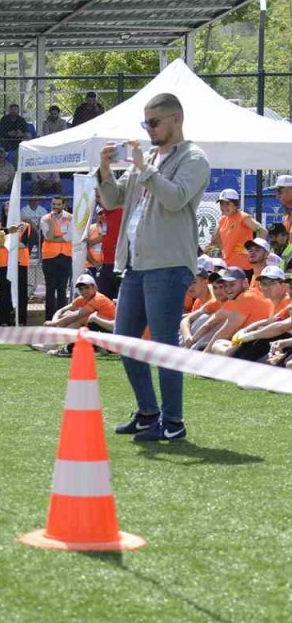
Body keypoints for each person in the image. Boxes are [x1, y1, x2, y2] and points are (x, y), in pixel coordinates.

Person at [97, 92, 210, 442]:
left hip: (169, 264)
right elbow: (113, 200)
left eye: (154, 122)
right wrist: (105, 170)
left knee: (163, 346)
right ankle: (148, 413)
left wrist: (145, 169)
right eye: (145, 123)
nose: (148, 129)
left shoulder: (194, 158)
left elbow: (175, 199)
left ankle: (173, 421)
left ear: (176, 118)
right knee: (125, 340)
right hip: (136, 264)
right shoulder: (147, 157)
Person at [193, 267, 273, 356]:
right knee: (205, 346)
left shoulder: (245, 297)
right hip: (254, 344)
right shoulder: (251, 294)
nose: (227, 289)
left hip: (256, 347)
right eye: (225, 285)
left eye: (232, 284)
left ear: (245, 283)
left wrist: (203, 357)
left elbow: (225, 332)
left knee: (216, 345)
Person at [37, 273, 116, 356]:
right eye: (81, 289)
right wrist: (55, 321)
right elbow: (61, 311)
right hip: (102, 331)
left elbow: (78, 314)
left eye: (87, 287)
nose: (84, 291)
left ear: (95, 287)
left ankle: (62, 346)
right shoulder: (83, 298)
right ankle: (54, 343)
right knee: (68, 314)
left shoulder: (98, 298)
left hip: (113, 332)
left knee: (83, 318)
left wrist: (55, 323)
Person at [223, 266, 292, 361]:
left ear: (283, 285)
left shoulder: (287, 301)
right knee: (224, 347)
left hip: (283, 345)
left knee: (232, 352)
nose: (266, 287)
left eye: (272, 283)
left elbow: (280, 327)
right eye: (263, 284)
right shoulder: (274, 302)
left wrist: (250, 335)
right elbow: (270, 321)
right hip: (278, 344)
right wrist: (245, 331)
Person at [209, 188, 265, 276]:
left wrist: (253, 249)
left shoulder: (243, 217)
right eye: (222, 204)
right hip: (228, 266)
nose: (224, 207)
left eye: (227, 204)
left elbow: (263, 231)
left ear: (235, 205)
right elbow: (215, 238)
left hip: (244, 268)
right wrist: (223, 250)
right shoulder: (222, 220)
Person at [39, 196, 74, 321]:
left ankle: (61, 319)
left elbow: (69, 237)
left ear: (63, 205)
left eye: (58, 204)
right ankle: (49, 319)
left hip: (65, 256)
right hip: (49, 257)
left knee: (62, 289)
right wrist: (53, 221)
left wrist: (55, 239)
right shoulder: (45, 218)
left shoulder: (70, 218)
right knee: (50, 289)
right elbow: (48, 236)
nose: (55, 207)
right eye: (54, 204)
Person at [0, 222, 29, 326]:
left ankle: (21, 320)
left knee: (21, 292)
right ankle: (4, 320)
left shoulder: (25, 226)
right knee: (4, 292)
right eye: (6, 212)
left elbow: (24, 244)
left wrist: (6, 244)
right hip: (4, 263)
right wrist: (14, 245)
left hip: (20, 262)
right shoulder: (0, 226)